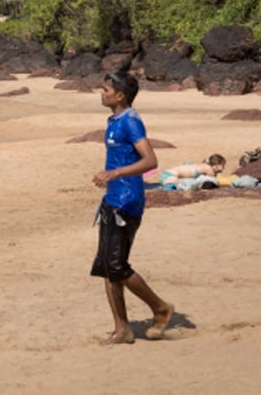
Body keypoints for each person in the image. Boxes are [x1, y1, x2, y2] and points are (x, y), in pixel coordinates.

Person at [90, 71, 174, 344]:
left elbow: (150, 161)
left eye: (105, 89)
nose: (101, 93)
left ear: (120, 95)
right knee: (106, 266)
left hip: (127, 202)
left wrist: (114, 174)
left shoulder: (131, 122)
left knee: (117, 265)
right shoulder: (113, 120)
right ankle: (122, 329)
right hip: (112, 200)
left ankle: (160, 308)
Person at [152, 154, 226, 187]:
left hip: (167, 174)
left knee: (190, 181)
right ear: (216, 165)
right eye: (223, 165)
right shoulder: (208, 168)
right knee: (191, 183)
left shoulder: (203, 165)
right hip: (170, 177)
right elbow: (215, 180)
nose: (224, 168)